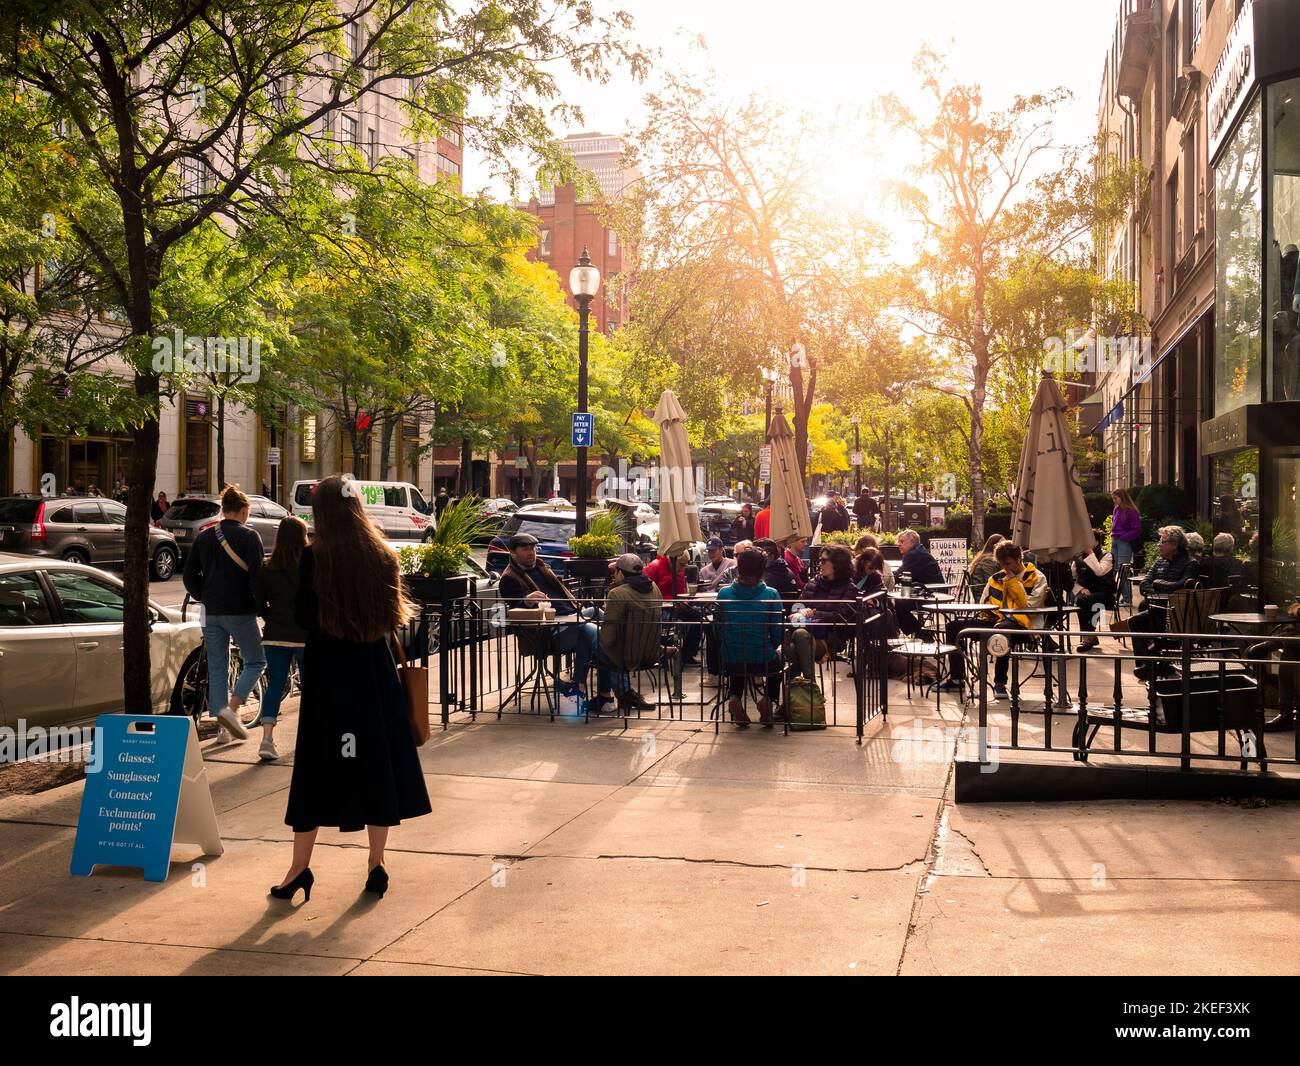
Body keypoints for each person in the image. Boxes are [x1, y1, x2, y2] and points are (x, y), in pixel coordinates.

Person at [272, 476, 430, 904]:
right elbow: (395, 616)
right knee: (376, 763)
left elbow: (305, 616)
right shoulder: (383, 555)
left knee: (316, 768)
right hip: (373, 673)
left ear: (320, 512)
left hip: (329, 675)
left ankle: (298, 869)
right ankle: (377, 863)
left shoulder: (313, 557)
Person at [183, 484, 267, 742]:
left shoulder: (205, 537)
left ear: (223, 509)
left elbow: (188, 576)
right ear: (242, 511)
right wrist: (261, 607)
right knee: (256, 661)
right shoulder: (250, 537)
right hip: (239, 609)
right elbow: (257, 578)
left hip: (209, 611)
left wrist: (203, 596)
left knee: (217, 666)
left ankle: (222, 730)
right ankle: (232, 710)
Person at [938, 542, 1049, 700]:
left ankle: (1000, 683)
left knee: (1001, 631)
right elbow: (983, 603)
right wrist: (987, 611)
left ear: (1019, 558)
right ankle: (957, 678)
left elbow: (1029, 607)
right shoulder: (996, 578)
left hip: (1024, 625)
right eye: (1002, 564)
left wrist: (1013, 583)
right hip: (996, 621)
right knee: (954, 626)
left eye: (1008, 563)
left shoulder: (1036, 577)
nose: (1005, 567)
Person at [498, 532, 600, 694]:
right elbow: (514, 609)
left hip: (571, 617)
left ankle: (584, 681)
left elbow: (561, 590)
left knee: (598, 613)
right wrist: (527, 600)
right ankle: (608, 677)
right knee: (596, 635)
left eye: (533, 548)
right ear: (513, 552)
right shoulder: (509, 578)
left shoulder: (541, 567)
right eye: (525, 549)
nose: (531, 552)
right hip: (550, 631)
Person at [252, 515, 310, 762]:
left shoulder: (267, 566)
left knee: (275, 686)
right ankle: (308, 738)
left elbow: (256, 603)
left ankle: (266, 739)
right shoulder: (309, 564)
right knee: (311, 688)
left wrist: (270, 614)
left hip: (275, 635)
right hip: (305, 636)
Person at [715, 548, 784, 726]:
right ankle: (768, 700)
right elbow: (777, 634)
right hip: (763, 658)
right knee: (779, 663)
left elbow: (718, 630)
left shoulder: (723, 594)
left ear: (739, 568)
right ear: (762, 570)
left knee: (739, 655)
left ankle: (735, 697)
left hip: (730, 659)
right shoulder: (772, 594)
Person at [1123, 525, 1198, 681]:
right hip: (1158, 608)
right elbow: (1144, 583)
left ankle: (1149, 665)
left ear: (1174, 545)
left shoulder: (1190, 563)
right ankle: (1147, 664)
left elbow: (1184, 585)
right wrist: (1156, 591)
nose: (1158, 544)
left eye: (1162, 541)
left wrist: (1158, 584)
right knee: (1139, 617)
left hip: (1177, 614)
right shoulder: (1160, 562)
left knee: (1136, 622)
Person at [592, 553, 662, 714]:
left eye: (615, 572)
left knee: (585, 631)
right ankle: (608, 695)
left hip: (626, 656)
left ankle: (581, 685)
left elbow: (608, 639)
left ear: (621, 573)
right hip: (650, 653)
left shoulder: (617, 594)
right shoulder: (655, 588)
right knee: (594, 615)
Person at [788, 544, 858, 676]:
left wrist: (812, 614)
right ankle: (808, 690)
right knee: (795, 644)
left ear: (838, 564)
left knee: (797, 640)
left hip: (830, 640)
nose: (820, 564)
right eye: (820, 560)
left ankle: (802, 689)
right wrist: (799, 612)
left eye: (824, 561)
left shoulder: (849, 588)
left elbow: (841, 617)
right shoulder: (813, 583)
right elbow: (796, 607)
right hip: (806, 632)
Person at [644, 550, 702, 663]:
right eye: (681, 564)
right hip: (659, 608)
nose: (684, 568)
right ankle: (664, 653)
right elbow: (646, 593)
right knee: (674, 622)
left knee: (700, 617)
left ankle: (687, 654)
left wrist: (684, 603)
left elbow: (681, 592)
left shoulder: (679, 571)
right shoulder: (654, 567)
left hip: (676, 606)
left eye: (685, 564)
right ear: (672, 559)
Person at [1072, 528, 1114, 651]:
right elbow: (1072, 578)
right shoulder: (1078, 557)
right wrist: (1080, 588)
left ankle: (1087, 637)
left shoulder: (1107, 556)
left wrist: (1091, 554)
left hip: (1105, 593)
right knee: (1082, 599)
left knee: (1090, 601)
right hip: (1087, 593)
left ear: (1096, 542)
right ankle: (1090, 636)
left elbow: (1099, 572)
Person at [895, 529, 943, 635]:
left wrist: (883, 577)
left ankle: (921, 634)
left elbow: (898, 576)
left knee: (896, 604)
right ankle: (920, 632)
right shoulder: (918, 551)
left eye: (902, 541)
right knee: (899, 602)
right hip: (931, 592)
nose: (898, 544)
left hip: (932, 594)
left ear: (912, 542)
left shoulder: (914, 555)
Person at [1110, 490, 1143, 605]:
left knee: (1123, 570)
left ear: (1122, 497)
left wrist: (1124, 537)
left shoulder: (1131, 511)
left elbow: (1137, 529)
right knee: (1113, 569)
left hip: (1124, 542)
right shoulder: (1116, 509)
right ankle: (1123, 597)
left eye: (1115, 498)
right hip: (1115, 541)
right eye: (1113, 498)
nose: (1114, 500)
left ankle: (1128, 599)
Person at [966, 534, 1005, 602]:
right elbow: (992, 580)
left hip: (983, 593)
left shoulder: (985, 556)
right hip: (985, 597)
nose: (1005, 547)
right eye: (1002, 545)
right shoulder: (989, 560)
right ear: (995, 546)